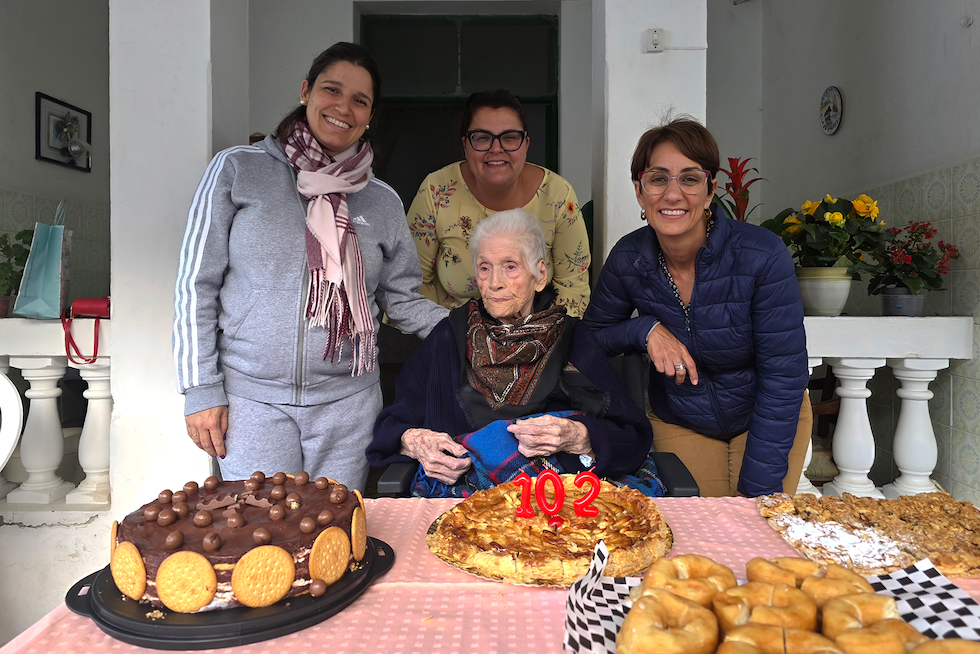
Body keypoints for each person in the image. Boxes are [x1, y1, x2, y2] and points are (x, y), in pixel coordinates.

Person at [173, 42, 447, 492]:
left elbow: (401, 301)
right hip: (252, 402)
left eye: (360, 100)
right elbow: (195, 286)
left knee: (338, 529)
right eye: (331, 90)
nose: (343, 108)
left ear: (370, 115)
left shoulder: (382, 201)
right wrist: (200, 388)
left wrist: (474, 328)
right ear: (306, 91)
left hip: (349, 406)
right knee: (263, 530)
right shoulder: (238, 170)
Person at [582, 118, 812, 498]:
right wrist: (644, 330)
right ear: (640, 192)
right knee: (696, 527)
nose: (673, 194)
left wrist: (755, 495)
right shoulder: (628, 258)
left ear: (710, 191)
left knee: (754, 522)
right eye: (658, 179)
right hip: (682, 419)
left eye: (689, 179)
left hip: (765, 414)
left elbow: (784, 377)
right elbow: (590, 338)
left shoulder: (762, 254)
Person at [367, 209, 663, 498]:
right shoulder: (449, 336)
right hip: (466, 504)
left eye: (510, 267)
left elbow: (632, 434)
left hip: (557, 501)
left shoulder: (573, 337)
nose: (494, 282)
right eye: (485, 268)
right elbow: (392, 426)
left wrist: (580, 436)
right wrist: (415, 442)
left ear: (540, 275)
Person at [406, 89, 591, 318]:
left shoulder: (557, 196)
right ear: (466, 145)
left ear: (526, 144)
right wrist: (446, 332)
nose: (496, 148)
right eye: (482, 138)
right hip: (453, 329)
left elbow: (573, 288)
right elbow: (413, 282)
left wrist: (544, 335)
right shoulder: (436, 192)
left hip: (539, 330)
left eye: (509, 137)